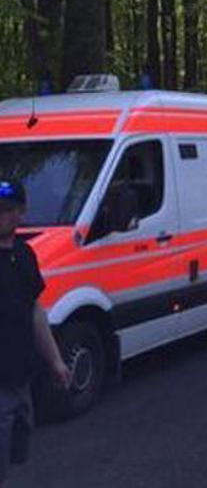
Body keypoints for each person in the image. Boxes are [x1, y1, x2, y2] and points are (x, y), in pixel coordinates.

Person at [0, 179, 72, 488]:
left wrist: (55, 362)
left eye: (4, 209)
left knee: (14, 455)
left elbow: (34, 310)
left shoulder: (24, 253)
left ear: (20, 212)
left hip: (20, 378)